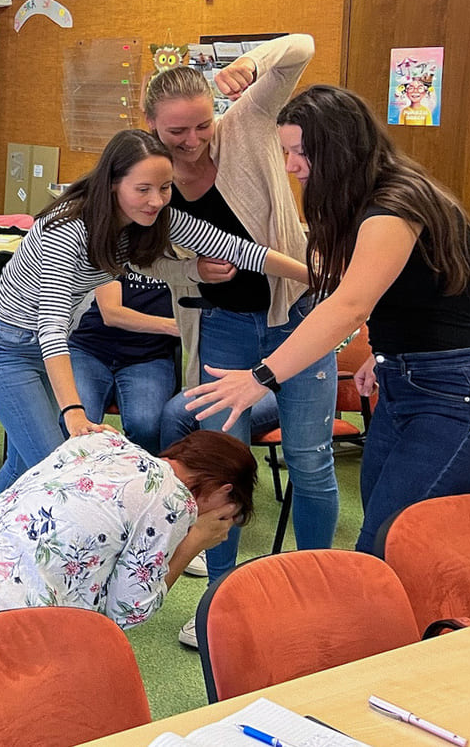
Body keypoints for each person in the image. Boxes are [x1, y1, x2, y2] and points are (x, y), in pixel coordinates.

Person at [188, 85, 470, 552]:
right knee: (385, 519)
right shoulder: (370, 201)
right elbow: (420, 295)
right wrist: (384, 351)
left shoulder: (394, 206)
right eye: (286, 151)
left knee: (391, 541)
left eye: (301, 152)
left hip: (457, 391)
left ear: (339, 150)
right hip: (411, 377)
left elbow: (348, 305)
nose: (291, 165)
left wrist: (261, 377)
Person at [0, 128, 308, 503]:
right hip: (6, 348)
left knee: (25, 466)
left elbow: (238, 249)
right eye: (143, 189)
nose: (156, 200)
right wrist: (74, 411)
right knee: (51, 470)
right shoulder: (68, 227)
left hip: (48, 351)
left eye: (165, 187)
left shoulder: (146, 219)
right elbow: (50, 325)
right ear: (113, 184)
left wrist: (313, 277)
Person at [143, 34, 338, 647]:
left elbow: (302, 47)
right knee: (223, 469)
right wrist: (191, 271)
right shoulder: (152, 178)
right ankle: (220, 604)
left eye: (201, 125)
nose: (193, 140)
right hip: (224, 325)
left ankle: (316, 594)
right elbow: (148, 258)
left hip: (298, 318)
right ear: (150, 126)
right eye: (177, 132)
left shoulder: (248, 122)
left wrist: (251, 64)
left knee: (310, 462)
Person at [0, 428, 255, 647]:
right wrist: (193, 541)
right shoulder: (175, 499)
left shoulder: (102, 439)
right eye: (227, 513)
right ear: (223, 491)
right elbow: (127, 613)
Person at [69, 269, 180, 454]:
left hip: (150, 356)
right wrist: (174, 326)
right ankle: (82, 479)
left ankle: (139, 475)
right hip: (91, 350)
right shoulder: (116, 248)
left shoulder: (185, 251)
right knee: (80, 422)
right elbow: (111, 313)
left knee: (147, 426)